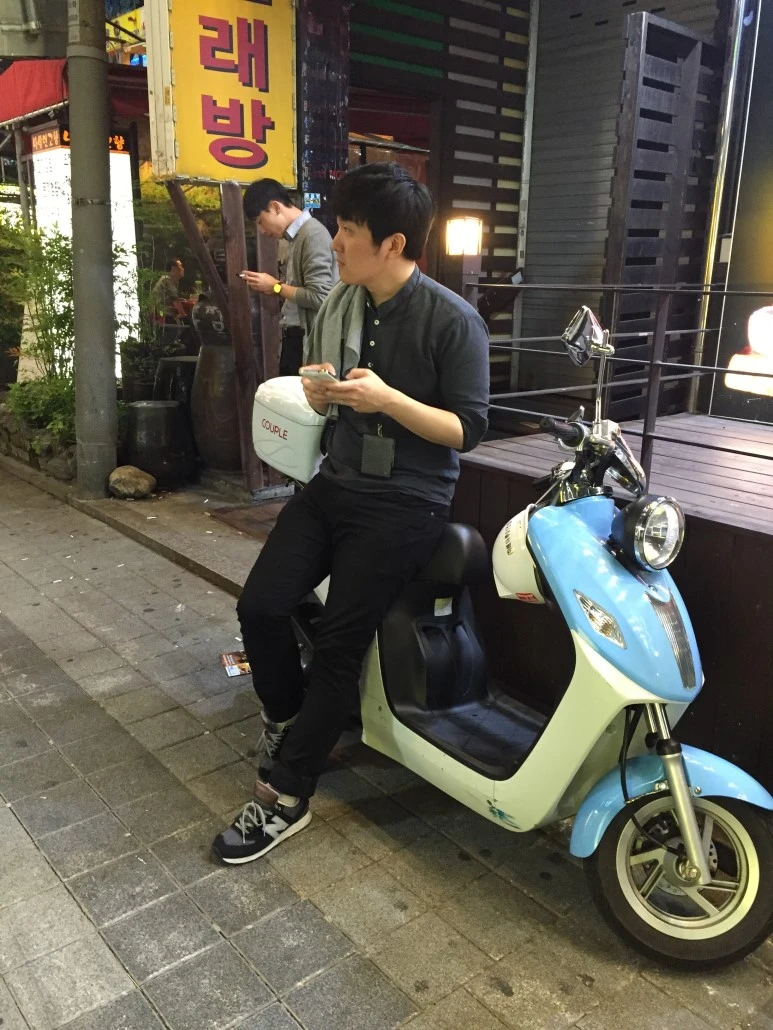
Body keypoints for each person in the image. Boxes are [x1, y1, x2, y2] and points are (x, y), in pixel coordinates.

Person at [212, 162, 490, 865]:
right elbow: (323, 383)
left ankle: (287, 795)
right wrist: (319, 393)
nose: (333, 242)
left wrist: (387, 400)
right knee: (261, 606)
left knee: (341, 644)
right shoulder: (341, 301)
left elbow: (467, 430)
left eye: (347, 230)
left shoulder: (452, 320)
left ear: (392, 243)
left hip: (407, 498)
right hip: (335, 481)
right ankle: (288, 717)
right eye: (337, 227)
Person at [241, 179, 337, 376]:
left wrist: (276, 286)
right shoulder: (297, 237)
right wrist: (273, 288)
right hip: (297, 338)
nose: (261, 231)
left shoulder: (312, 235)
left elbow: (321, 296)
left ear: (276, 207)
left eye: (260, 221)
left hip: (307, 341)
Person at [151, 258, 190, 323]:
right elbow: (174, 297)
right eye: (180, 266)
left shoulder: (168, 280)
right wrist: (182, 313)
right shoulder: (167, 280)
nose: (183, 269)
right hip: (160, 314)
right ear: (173, 268)